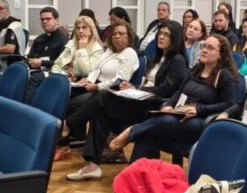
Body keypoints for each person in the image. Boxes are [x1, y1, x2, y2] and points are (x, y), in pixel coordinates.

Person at [67, 21, 188, 180]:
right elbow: (147, 84)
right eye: (160, 33)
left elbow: (166, 90)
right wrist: (132, 87)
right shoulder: (157, 59)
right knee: (100, 113)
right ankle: (92, 166)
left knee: (102, 96)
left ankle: (69, 124)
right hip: (142, 102)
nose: (161, 37)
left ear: (175, 38)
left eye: (166, 34)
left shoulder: (177, 61)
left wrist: (138, 90)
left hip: (153, 109)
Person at [126, 34, 239, 161]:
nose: (204, 50)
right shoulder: (196, 69)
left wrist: (199, 110)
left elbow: (229, 104)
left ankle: (130, 132)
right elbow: (180, 91)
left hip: (200, 120)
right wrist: (169, 104)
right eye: (203, 46)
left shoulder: (224, 76)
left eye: (210, 48)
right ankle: (140, 173)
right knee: (147, 136)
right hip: (179, 113)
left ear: (221, 55)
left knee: (164, 121)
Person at [53, 20, 139, 161]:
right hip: (96, 86)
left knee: (73, 104)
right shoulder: (110, 51)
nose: (117, 36)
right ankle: (64, 143)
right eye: (114, 33)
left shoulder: (129, 53)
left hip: (112, 93)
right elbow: (96, 69)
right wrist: (88, 80)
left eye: (121, 33)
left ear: (129, 36)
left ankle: (66, 129)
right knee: (65, 97)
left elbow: (120, 80)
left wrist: (97, 86)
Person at [53, 15, 104, 80]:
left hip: (82, 81)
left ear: (91, 30)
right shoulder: (71, 43)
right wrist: (59, 73)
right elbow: (57, 63)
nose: (80, 31)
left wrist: (82, 49)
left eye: (84, 27)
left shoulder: (97, 48)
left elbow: (86, 72)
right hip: (64, 77)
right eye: (78, 28)